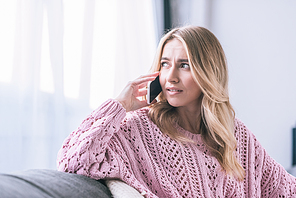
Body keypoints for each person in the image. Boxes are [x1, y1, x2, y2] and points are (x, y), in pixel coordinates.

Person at [57, 26, 296, 197]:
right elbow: (72, 162)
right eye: (164, 64)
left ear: (209, 72)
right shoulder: (138, 128)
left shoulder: (233, 134)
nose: (170, 77)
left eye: (184, 65)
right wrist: (120, 105)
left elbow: (285, 188)